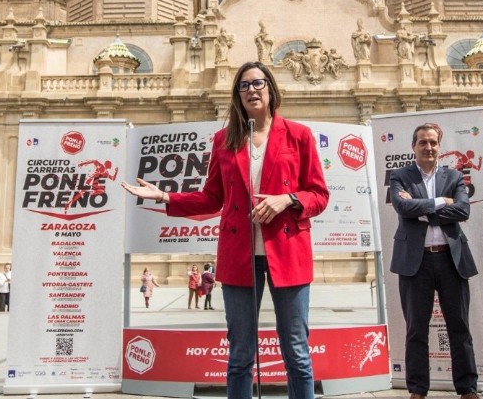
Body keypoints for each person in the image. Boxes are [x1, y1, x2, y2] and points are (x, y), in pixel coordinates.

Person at [123, 60, 329, 399]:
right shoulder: (225, 140)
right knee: (239, 355)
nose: (251, 90)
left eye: (258, 83)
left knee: (296, 351)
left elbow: (318, 195)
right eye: (244, 86)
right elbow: (211, 198)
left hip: (288, 254)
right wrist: (163, 195)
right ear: (237, 96)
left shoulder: (299, 135)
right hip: (239, 257)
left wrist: (287, 199)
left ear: (271, 89)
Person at [389, 123, 479, 399]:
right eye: (422, 143)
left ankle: (467, 388)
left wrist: (423, 210)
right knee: (416, 329)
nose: (428, 147)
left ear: (439, 146)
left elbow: (463, 210)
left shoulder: (454, 175)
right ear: (413, 146)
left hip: (451, 259)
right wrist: (442, 201)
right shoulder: (399, 176)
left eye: (433, 143)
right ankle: (417, 389)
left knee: (459, 327)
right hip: (416, 263)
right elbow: (403, 208)